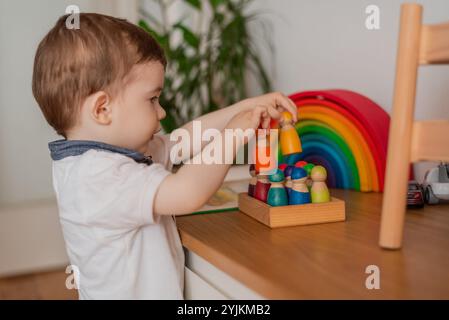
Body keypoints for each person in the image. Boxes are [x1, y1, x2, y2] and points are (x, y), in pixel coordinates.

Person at [32, 13, 297, 299]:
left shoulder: (112, 156)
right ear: (102, 109)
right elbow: (186, 192)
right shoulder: (97, 176)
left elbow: (182, 140)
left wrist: (246, 108)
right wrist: (233, 135)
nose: (162, 113)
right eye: (152, 99)